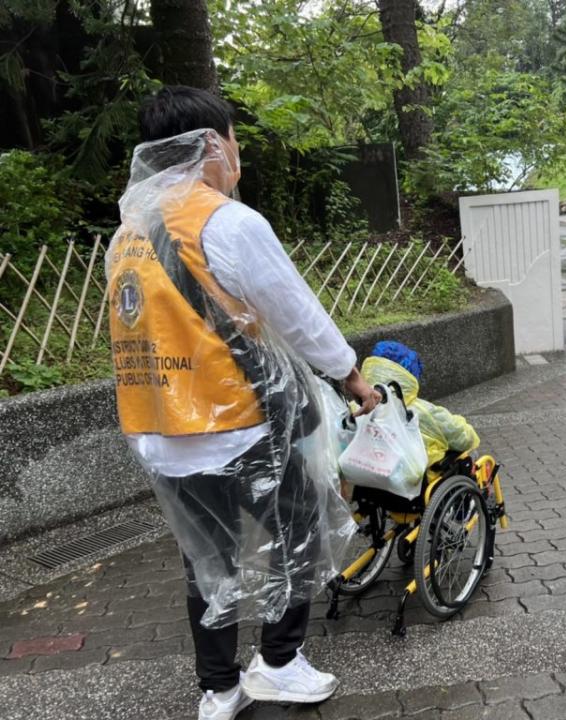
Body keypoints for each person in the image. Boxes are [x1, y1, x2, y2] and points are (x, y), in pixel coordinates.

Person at [105, 86, 380, 720]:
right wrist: (350, 377)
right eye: (234, 141)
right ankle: (279, 664)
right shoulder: (227, 221)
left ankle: (219, 689)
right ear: (210, 145)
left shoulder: (127, 233)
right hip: (242, 422)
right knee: (299, 532)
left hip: (165, 431)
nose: (239, 155)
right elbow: (298, 314)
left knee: (207, 560)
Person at [358, 340, 480, 470]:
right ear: (409, 374)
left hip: (369, 475)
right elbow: (463, 438)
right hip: (415, 479)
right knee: (471, 453)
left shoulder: (357, 409)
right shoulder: (423, 411)